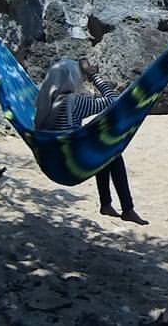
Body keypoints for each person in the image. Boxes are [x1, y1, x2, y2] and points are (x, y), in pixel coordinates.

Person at [34, 57, 149, 225]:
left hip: (54, 159)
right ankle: (127, 209)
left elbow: (38, 126)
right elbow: (114, 101)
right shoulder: (74, 102)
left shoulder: (46, 103)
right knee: (112, 152)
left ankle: (106, 204)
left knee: (101, 148)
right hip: (72, 161)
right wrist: (93, 75)